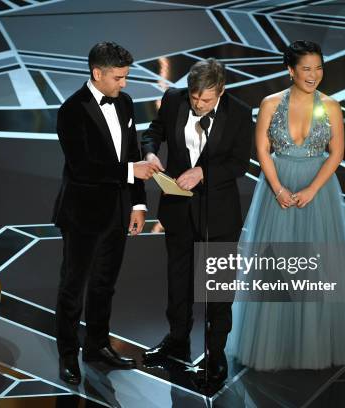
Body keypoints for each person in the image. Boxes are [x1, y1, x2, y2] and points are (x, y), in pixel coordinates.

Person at [227, 40, 345, 370]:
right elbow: (261, 150)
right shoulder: (271, 103)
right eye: (306, 68)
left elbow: (337, 153)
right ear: (290, 70)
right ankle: (278, 345)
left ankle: (314, 345)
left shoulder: (331, 106)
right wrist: (278, 188)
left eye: (318, 68)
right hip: (279, 189)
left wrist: (313, 189)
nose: (314, 75)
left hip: (319, 193)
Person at [140, 58, 253, 389]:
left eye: (205, 100)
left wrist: (203, 172)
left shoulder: (240, 112)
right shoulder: (175, 99)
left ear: (221, 90)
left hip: (218, 214)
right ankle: (176, 340)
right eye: (194, 98)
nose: (198, 104)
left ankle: (215, 353)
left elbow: (238, 163)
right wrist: (150, 152)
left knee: (217, 287)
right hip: (177, 209)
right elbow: (155, 130)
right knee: (178, 282)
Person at [52, 41, 159, 385]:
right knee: (74, 286)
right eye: (118, 77)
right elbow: (82, 167)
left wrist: (139, 204)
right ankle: (68, 355)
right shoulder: (72, 110)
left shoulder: (125, 103)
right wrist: (131, 173)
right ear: (97, 73)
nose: (124, 84)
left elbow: (133, 153)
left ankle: (97, 346)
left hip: (117, 212)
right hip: (82, 215)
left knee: (104, 285)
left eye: (125, 77)